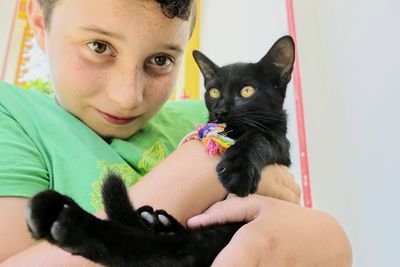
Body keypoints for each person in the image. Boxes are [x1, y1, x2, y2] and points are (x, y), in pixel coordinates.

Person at [0, 0, 352, 266]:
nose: (128, 96)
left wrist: (318, 239)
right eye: (99, 46)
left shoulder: (200, 119)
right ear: (38, 23)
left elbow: (327, 244)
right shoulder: (13, 115)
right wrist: (198, 167)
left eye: (160, 60)